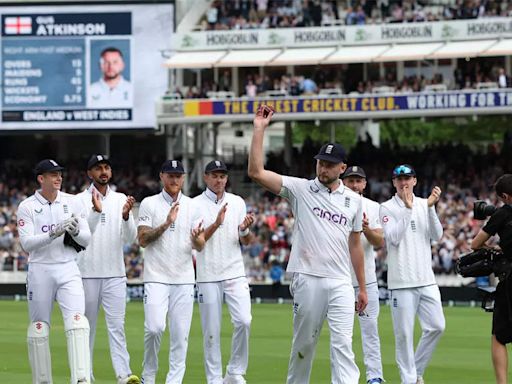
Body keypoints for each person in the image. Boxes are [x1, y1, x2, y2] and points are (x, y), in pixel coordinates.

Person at [248, 105, 368, 384]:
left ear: (342, 167)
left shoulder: (354, 200)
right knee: (304, 346)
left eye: (329, 164)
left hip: (340, 281)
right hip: (308, 276)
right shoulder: (300, 189)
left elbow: (355, 246)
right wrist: (259, 129)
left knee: (343, 346)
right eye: (320, 162)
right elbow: (256, 172)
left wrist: (361, 287)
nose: (323, 168)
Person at [17, 159, 92, 383]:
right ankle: (42, 381)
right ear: (41, 179)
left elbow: (86, 239)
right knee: (39, 329)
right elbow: (27, 244)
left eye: (60, 174)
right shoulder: (27, 206)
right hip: (40, 269)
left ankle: (81, 379)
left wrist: (76, 231)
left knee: (78, 322)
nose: (59, 178)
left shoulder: (73, 202)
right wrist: (53, 233)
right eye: (53, 175)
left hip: (68, 267)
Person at [137, 160, 205, 384]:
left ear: (184, 178)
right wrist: (166, 223)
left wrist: (198, 239)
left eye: (178, 176)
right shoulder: (149, 203)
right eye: (170, 175)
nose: (175, 180)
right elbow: (143, 240)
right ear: (162, 177)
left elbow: (200, 245)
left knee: (180, 337)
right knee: (155, 328)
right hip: (156, 277)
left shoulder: (194, 206)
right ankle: (148, 376)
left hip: (184, 279)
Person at [76, 155, 140, 384]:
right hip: (86, 273)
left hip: (115, 273)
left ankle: (123, 375)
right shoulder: (78, 201)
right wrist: (95, 211)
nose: (103, 171)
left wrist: (126, 216)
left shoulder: (121, 199)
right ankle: (84, 374)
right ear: (89, 173)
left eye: (106, 167)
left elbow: (131, 238)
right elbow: (80, 237)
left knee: (117, 327)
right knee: (86, 328)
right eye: (98, 168)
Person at [379, 164, 445, 384]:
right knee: (404, 335)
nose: (403, 183)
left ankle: (415, 372)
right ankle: (409, 380)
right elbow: (394, 238)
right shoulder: (386, 207)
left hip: (426, 279)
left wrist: (430, 208)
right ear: (394, 183)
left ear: (414, 181)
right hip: (401, 283)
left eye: (407, 178)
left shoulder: (423, 204)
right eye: (399, 179)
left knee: (437, 326)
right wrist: (407, 210)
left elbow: (437, 235)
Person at [193, 160, 255, 384]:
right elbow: (197, 244)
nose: (219, 180)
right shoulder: (194, 205)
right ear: (205, 177)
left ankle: (235, 371)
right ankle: (214, 379)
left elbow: (247, 241)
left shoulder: (237, 202)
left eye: (222, 176)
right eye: (215, 176)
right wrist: (217, 223)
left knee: (244, 321)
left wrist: (245, 230)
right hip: (208, 274)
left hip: (234, 271)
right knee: (211, 331)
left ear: (227, 178)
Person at [341, 165, 385, 384]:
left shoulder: (373, 207)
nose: (354, 185)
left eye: (358, 181)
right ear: (344, 181)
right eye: (350, 180)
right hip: (339, 280)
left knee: (370, 330)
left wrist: (366, 228)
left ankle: (375, 376)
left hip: (366, 280)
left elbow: (379, 242)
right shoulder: (334, 202)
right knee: (342, 334)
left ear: (365, 184)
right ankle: (344, 377)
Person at [471, 174, 512, 384]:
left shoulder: (504, 213)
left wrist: (496, 247)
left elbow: (475, 243)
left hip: (509, 279)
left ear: (505, 196)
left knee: (499, 336)